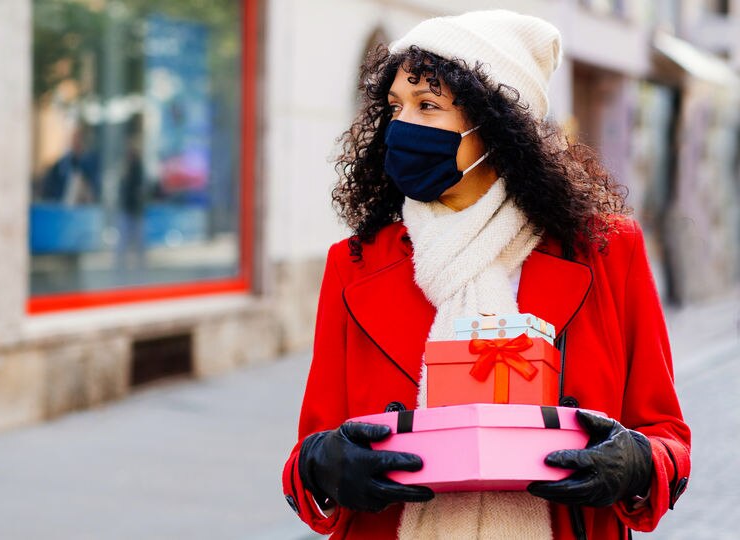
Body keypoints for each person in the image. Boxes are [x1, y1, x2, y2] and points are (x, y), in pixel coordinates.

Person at [281, 10, 690, 540]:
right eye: (395, 107)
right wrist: (321, 463)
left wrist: (637, 463)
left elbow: (667, 436)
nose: (401, 126)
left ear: (497, 126)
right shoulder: (354, 263)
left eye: (429, 106)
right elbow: (307, 456)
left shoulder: (606, 252)